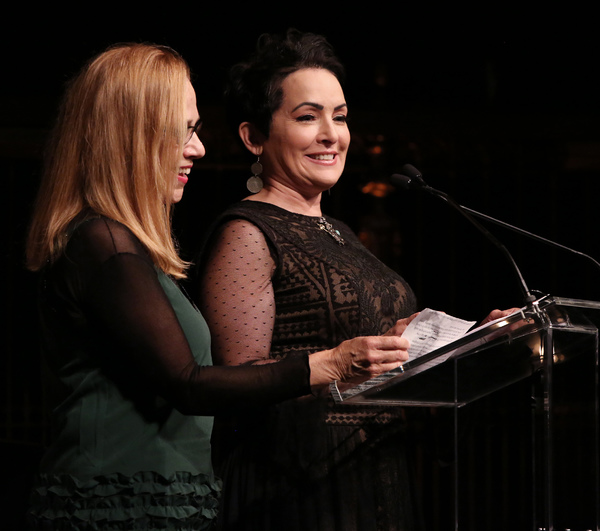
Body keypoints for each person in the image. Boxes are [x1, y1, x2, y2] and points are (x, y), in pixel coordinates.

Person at [23, 42, 413, 530]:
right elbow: (190, 383)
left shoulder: (124, 244)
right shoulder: (103, 241)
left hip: (163, 494)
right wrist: (331, 363)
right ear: (127, 135)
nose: (199, 148)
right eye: (182, 130)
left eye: (196, 130)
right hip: (120, 501)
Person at [197, 29, 517, 531]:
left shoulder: (340, 232)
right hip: (295, 491)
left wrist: (473, 344)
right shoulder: (248, 231)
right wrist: (336, 364)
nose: (332, 134)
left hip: (376, 476)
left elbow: (382, 357)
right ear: (254, 137)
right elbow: (234, 382)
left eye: (340, 117)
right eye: (308, 117)